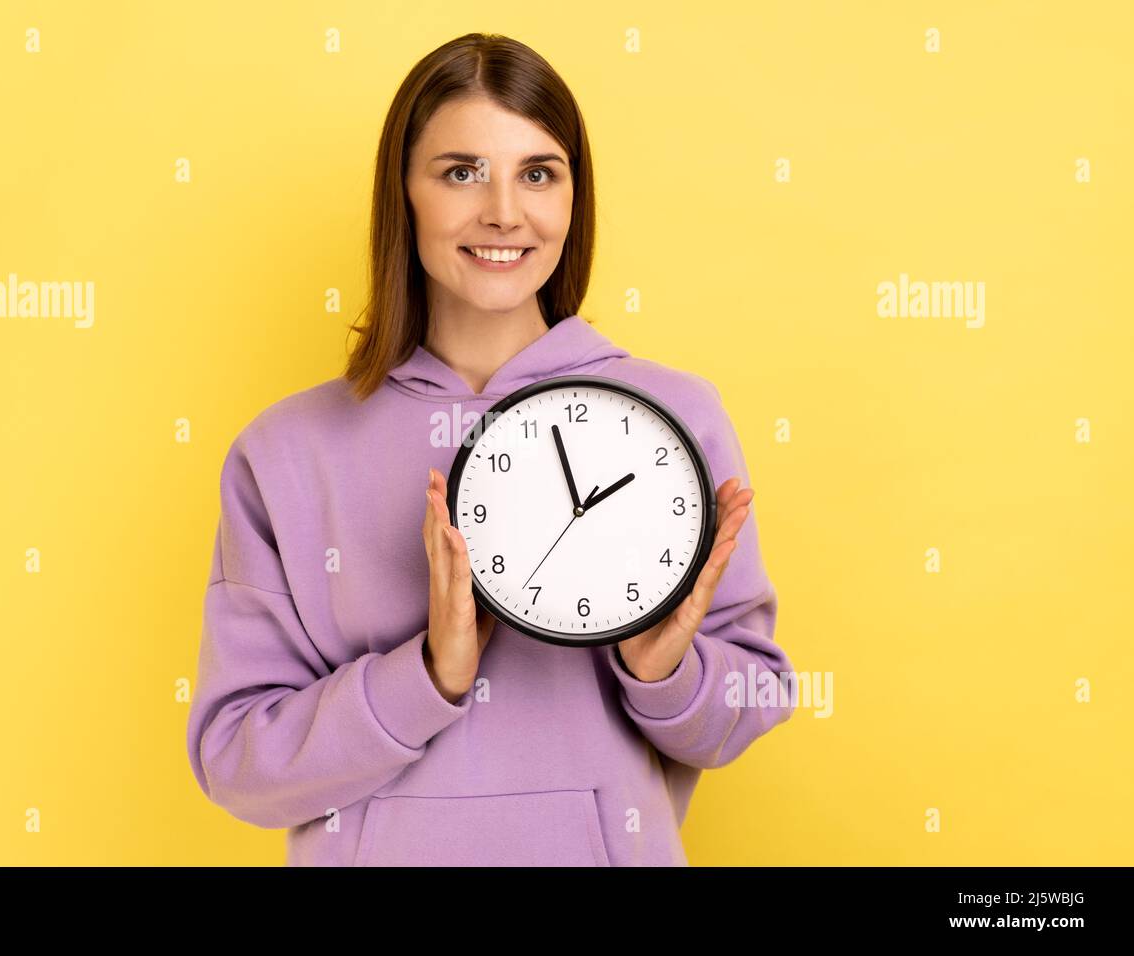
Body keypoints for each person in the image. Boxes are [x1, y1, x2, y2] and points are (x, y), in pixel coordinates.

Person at [185, 32, 795, 866]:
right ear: (404, 193)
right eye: (460, 171)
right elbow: (236, 763)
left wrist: (666, 673)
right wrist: (429, 675)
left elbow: (750, 702)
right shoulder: (287, 452)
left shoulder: (675, 418)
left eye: (538, 173)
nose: (504, 212)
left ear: (574, 196)